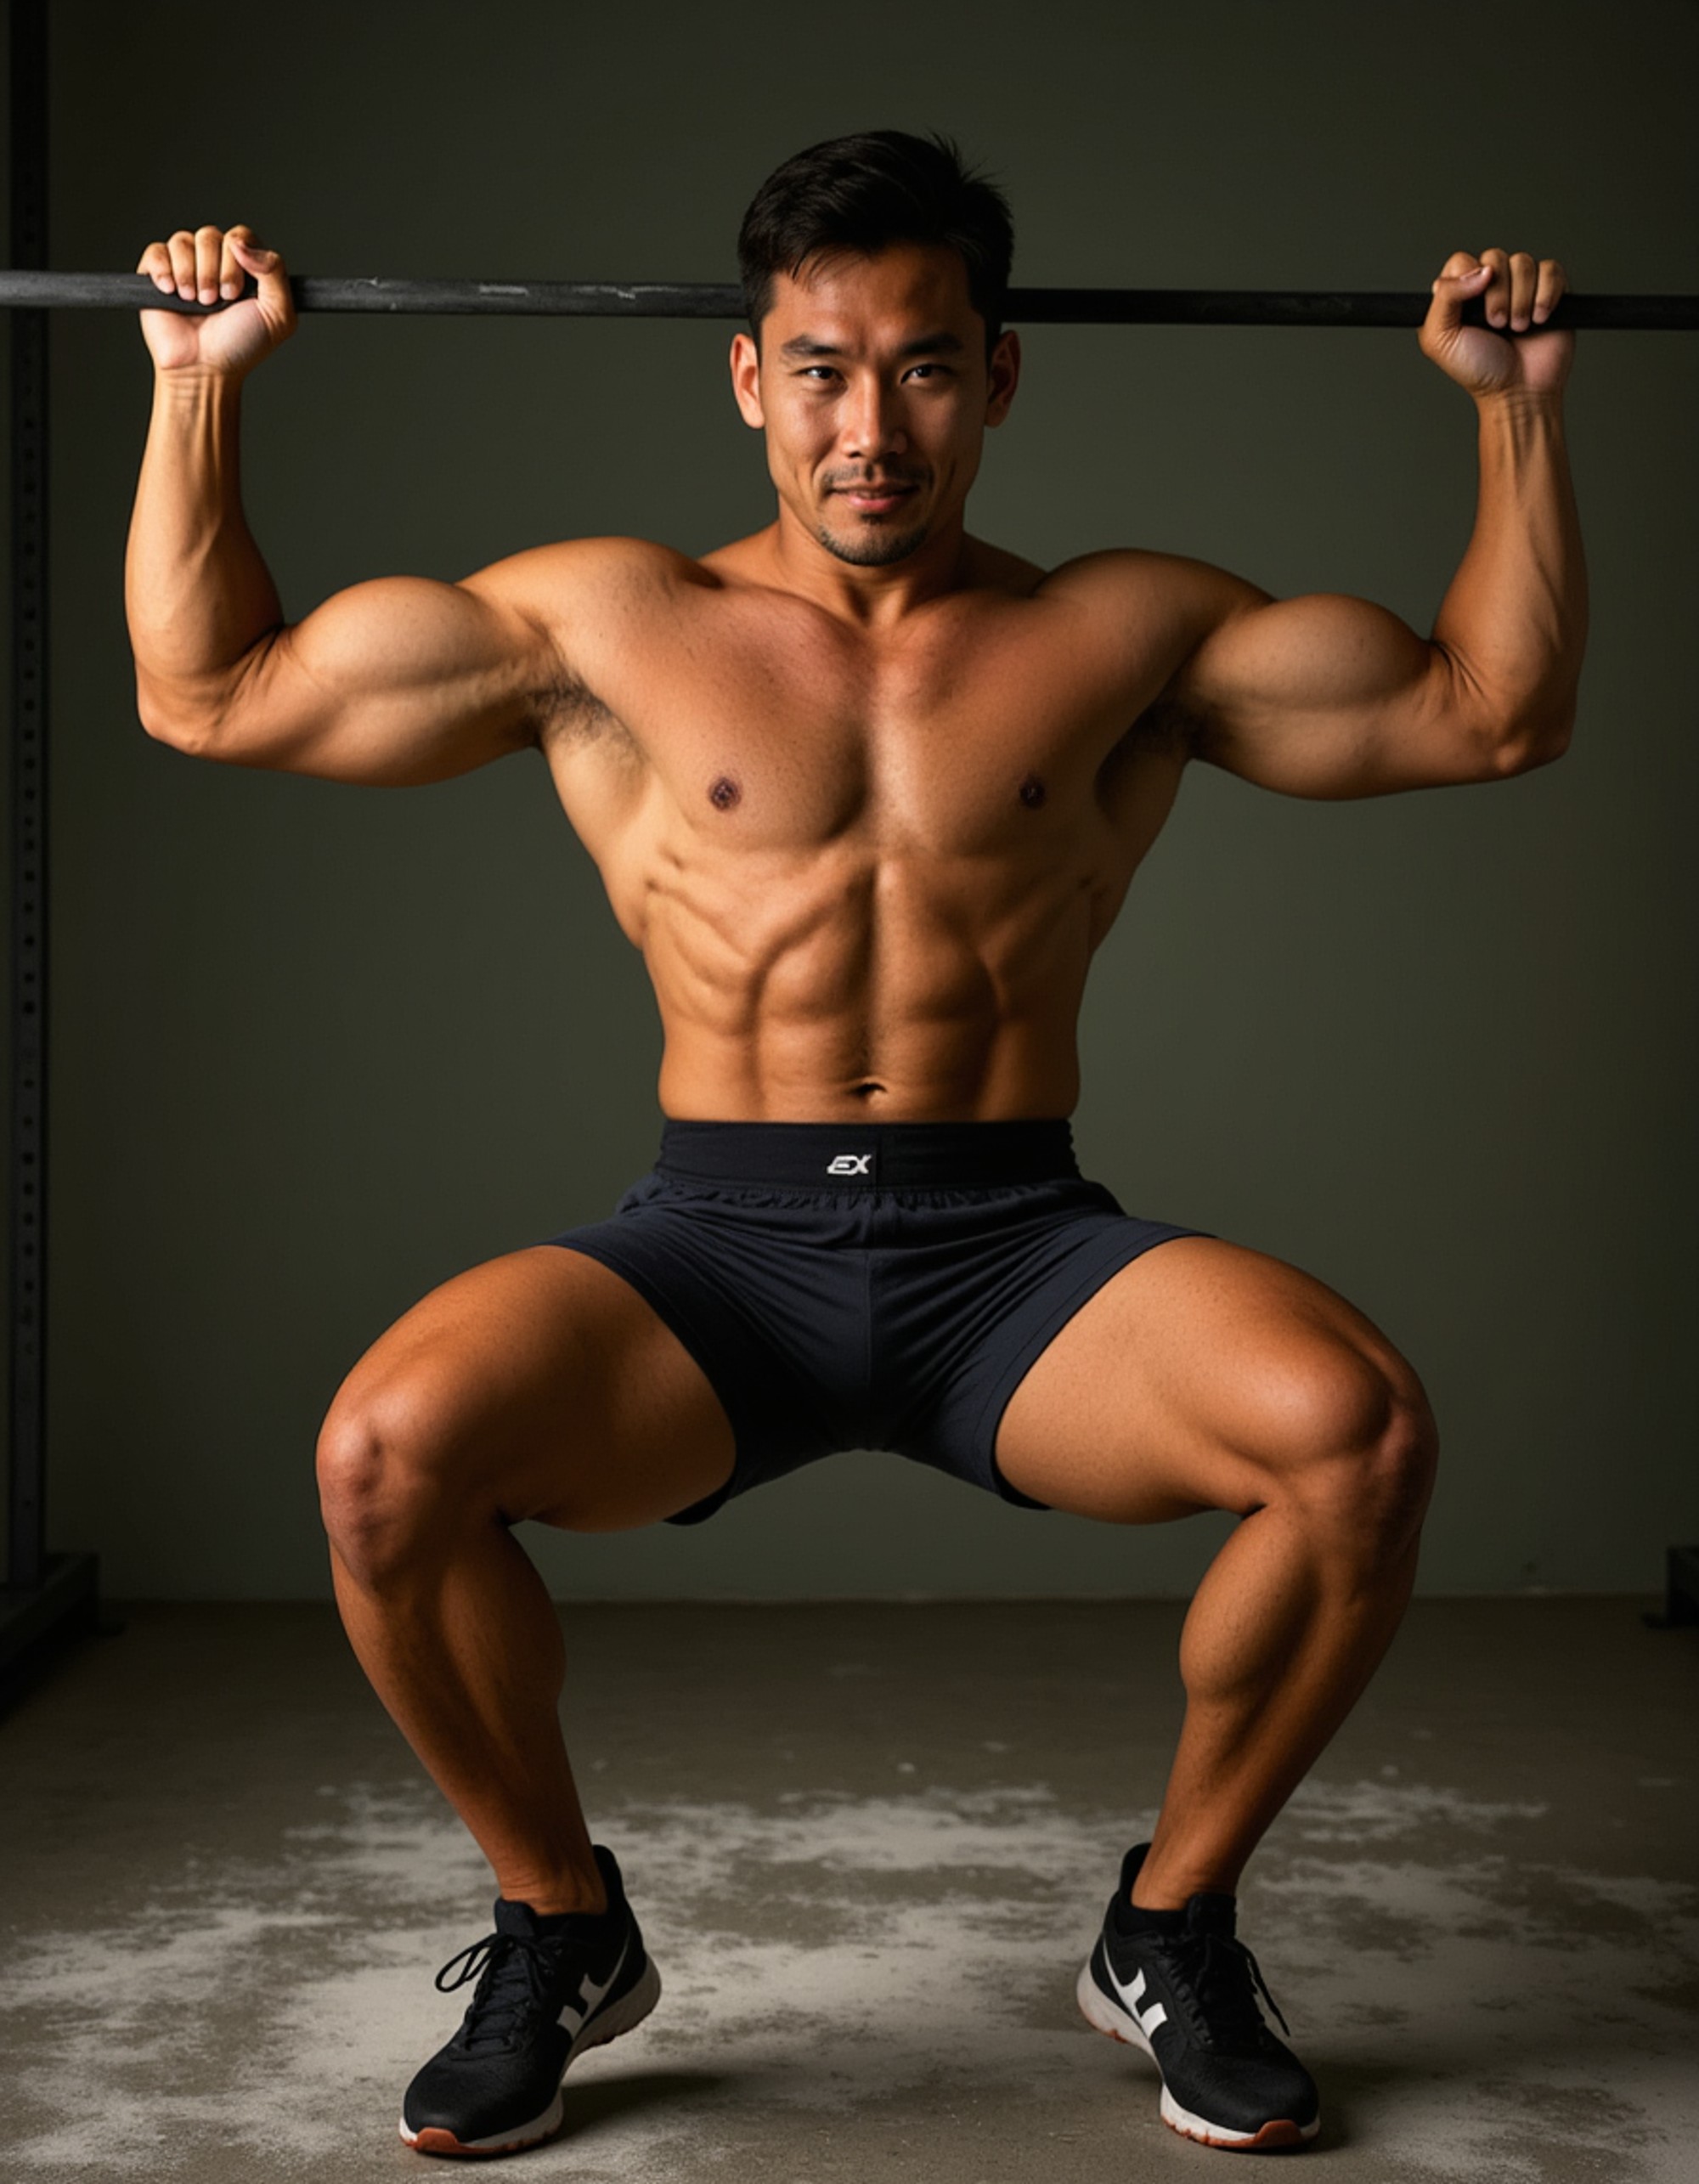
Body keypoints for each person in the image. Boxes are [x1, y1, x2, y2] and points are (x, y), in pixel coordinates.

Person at [126, 130, 1583, 2160]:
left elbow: (1490, 711)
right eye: (818, 366)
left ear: (997, 376)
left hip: (1016, 1256)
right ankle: (559, 1924)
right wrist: (197, 384)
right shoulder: (605, 622)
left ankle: (1170, 1922)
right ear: (746, 377)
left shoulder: (1127, 632)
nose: (866, 421)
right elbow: (208, 692)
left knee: (1357, 1434)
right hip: (713, 1256)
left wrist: (1516, 424)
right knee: (383, 1461)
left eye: (918, 364)